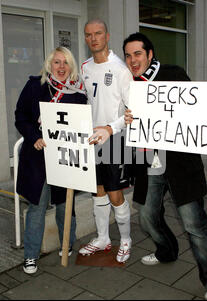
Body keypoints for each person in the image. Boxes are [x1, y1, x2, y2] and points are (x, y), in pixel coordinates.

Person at [123, 32, 207, 300]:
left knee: (194, 223)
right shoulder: (128, 85)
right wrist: (126, 119)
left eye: (137, 54)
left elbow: (197, 109)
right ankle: (167, 250)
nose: (132, 60)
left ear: (149, 54)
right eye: (128, 55)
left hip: (180, 163)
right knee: (147, 217)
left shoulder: (173, 74)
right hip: (148, 162)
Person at [15, 47, 87, 274]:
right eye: (57, 62)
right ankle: (30, 256)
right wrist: (34, 136)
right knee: (37, 207)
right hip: (38, 158)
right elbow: (20, 116)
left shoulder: (78, 93)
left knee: (66, 206)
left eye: (66, 63)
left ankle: (67, 244)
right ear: (49, 65)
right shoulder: (35, 86)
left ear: (72, 66)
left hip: (65, 158)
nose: (62, 67)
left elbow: (81, 127)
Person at [78, 19, 133, 263]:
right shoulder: (85, 67)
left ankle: (126, 240)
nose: (93, 38)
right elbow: (86, 101)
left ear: (107, 36)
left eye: (98, 33)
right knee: (98, 193)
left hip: (115, 140)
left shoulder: (121, 69)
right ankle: (103, 239)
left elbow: (132, 112)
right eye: (88, 35)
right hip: (92, 140)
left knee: (115, 194)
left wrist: (111, 128)